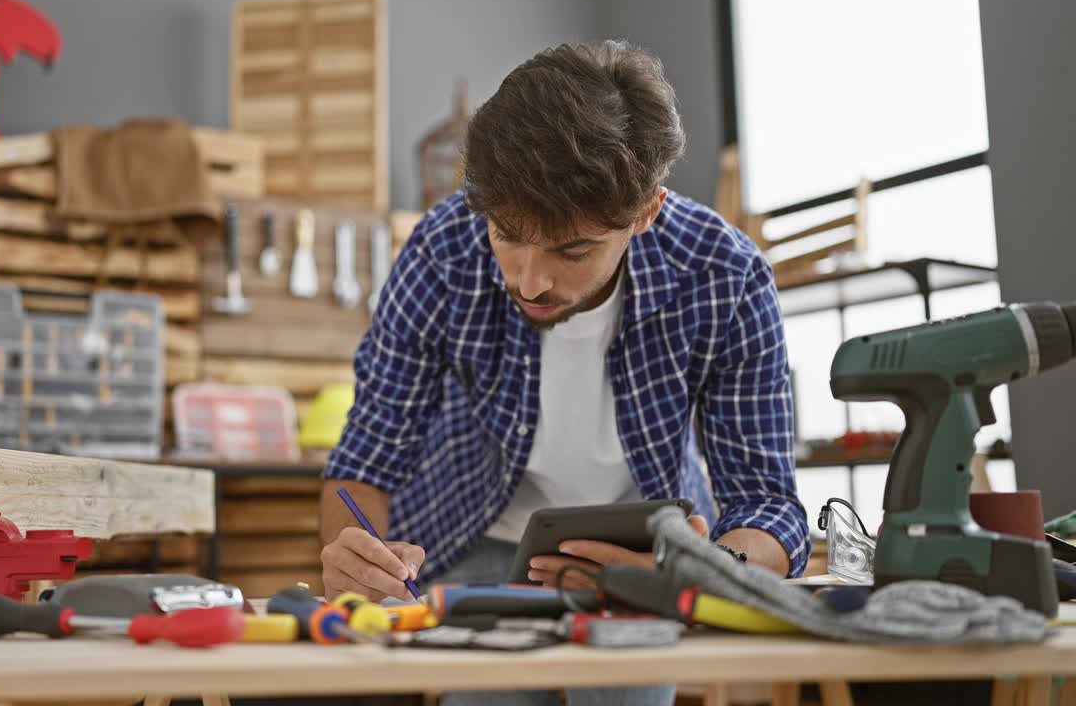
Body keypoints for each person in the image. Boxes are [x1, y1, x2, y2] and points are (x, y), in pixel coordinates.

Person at [319, 40, 809, 706]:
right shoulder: (442, 248)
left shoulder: (725, 276)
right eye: (507, 234)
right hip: (476, 536)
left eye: (573, 249)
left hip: (644, 558)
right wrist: (357, 556)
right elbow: (365, 463)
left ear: (645, 214)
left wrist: (708, 568)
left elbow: (768, 506)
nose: (529, 279)